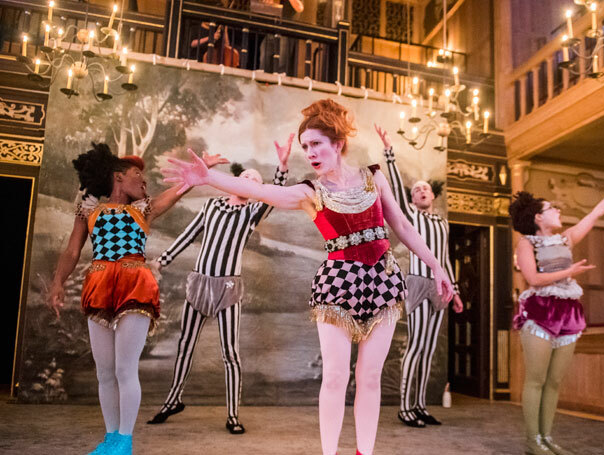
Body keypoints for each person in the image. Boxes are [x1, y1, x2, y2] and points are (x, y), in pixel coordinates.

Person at [162, 99, 454, 455]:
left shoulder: (374, 177)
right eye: (305, 146)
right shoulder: (309, 192)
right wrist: (208, 177)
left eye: (316, 143)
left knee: (370, 377)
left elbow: (404, 226)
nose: (310, 152)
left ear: (338, 143)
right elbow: (263, 192)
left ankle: (365, 452)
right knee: (334, 377)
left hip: (384, 281)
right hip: (337, 284)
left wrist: (437, 266)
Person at [47, 143, 227, 455]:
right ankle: (111, 438)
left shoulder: (145, 209)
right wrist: (57, 283)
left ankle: (125, 440)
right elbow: (73, 251)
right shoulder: (88, 210)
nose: (144, 180)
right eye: (136, 173)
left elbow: (178, 191)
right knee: (105, 371)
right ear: (118, 177)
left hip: (134, 284)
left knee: (124, 369)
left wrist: (198, 174)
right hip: (100, 284)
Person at [147, 136, 292, 434]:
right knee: (185, 344)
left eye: (256, 182)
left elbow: (274, 195)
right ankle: (172, 400)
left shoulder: (251, 213)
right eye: (247, 178)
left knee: (230, 352)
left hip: (228, 288)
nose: (250, 183)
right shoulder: (212, 206)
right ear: (237, 182)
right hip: (199, 283)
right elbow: (188, 235)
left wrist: (282, 165)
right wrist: (162, 260)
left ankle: (233, 415)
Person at [509, 164, 604, 455]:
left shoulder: (566, 238)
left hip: (568, 312)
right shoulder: (526, 243)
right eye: (552, 207)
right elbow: (533, 279)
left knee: (554, 382)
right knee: (537, 379)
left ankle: (547, 437)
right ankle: (533, 441)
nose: (558, 209)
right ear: (538, 217)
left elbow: (596, 214)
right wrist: (570, 270)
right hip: (540, 311)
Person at [375, 125, 464, 428]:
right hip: (416, 282)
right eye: (416, 191)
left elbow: (445, 259)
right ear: (411, 199)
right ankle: (404, 407)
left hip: (440, 286)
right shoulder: (409, 215)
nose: (420, 191)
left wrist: (455, 291)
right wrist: (389, 150)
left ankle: (420, 404)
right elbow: (397, 189)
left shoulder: (442, 223)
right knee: (415, 345)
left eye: (425, 189)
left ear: (433, 195)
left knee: (429, 347)